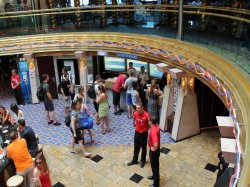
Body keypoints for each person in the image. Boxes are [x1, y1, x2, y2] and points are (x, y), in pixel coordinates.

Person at [127, 104, 149, 168]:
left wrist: (145, 129)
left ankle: (143, 161)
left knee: (144, 148)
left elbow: (149, 125)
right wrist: (133, 124)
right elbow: (134, 118)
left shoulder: (147, 115)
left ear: (142, 108)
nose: (137, 109)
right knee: (136, 147)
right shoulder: (136, 113)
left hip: (144, 134)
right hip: (137, 132)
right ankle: (134, 160)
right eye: (136, 108)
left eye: (139, 108)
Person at [147, 116, 161, 187]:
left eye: (148, 120)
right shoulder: (156, 125)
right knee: (154, 166)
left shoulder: (153, 131)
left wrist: (153, 149)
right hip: (156, 150)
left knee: (155, 167)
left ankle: (156, 184)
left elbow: (156, 143)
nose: (148, 120)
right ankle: (154, 176)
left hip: (154, 152)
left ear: (151, 122)